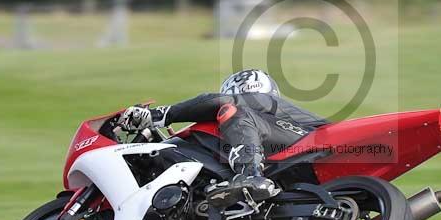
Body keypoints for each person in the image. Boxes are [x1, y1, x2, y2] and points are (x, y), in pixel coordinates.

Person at [118, 69, 327, 208]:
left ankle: (251, 175)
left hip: (314, 145)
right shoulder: (264, 126)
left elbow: (219, 102)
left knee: (233, 111)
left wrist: (156, 116)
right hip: (303, 170)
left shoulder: (259, 103)